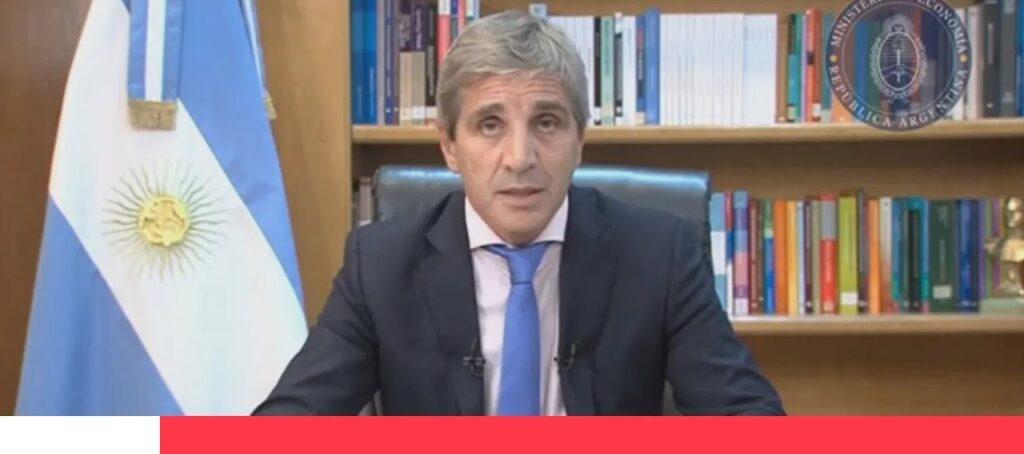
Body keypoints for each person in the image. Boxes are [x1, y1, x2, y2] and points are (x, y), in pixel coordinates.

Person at [253, 11, 784, 416]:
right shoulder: (380, 266)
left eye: (547, 122)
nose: (520, 157)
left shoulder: (659, 256)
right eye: (490, 125)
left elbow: (751, 423)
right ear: (449, 146)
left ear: (580, 141)